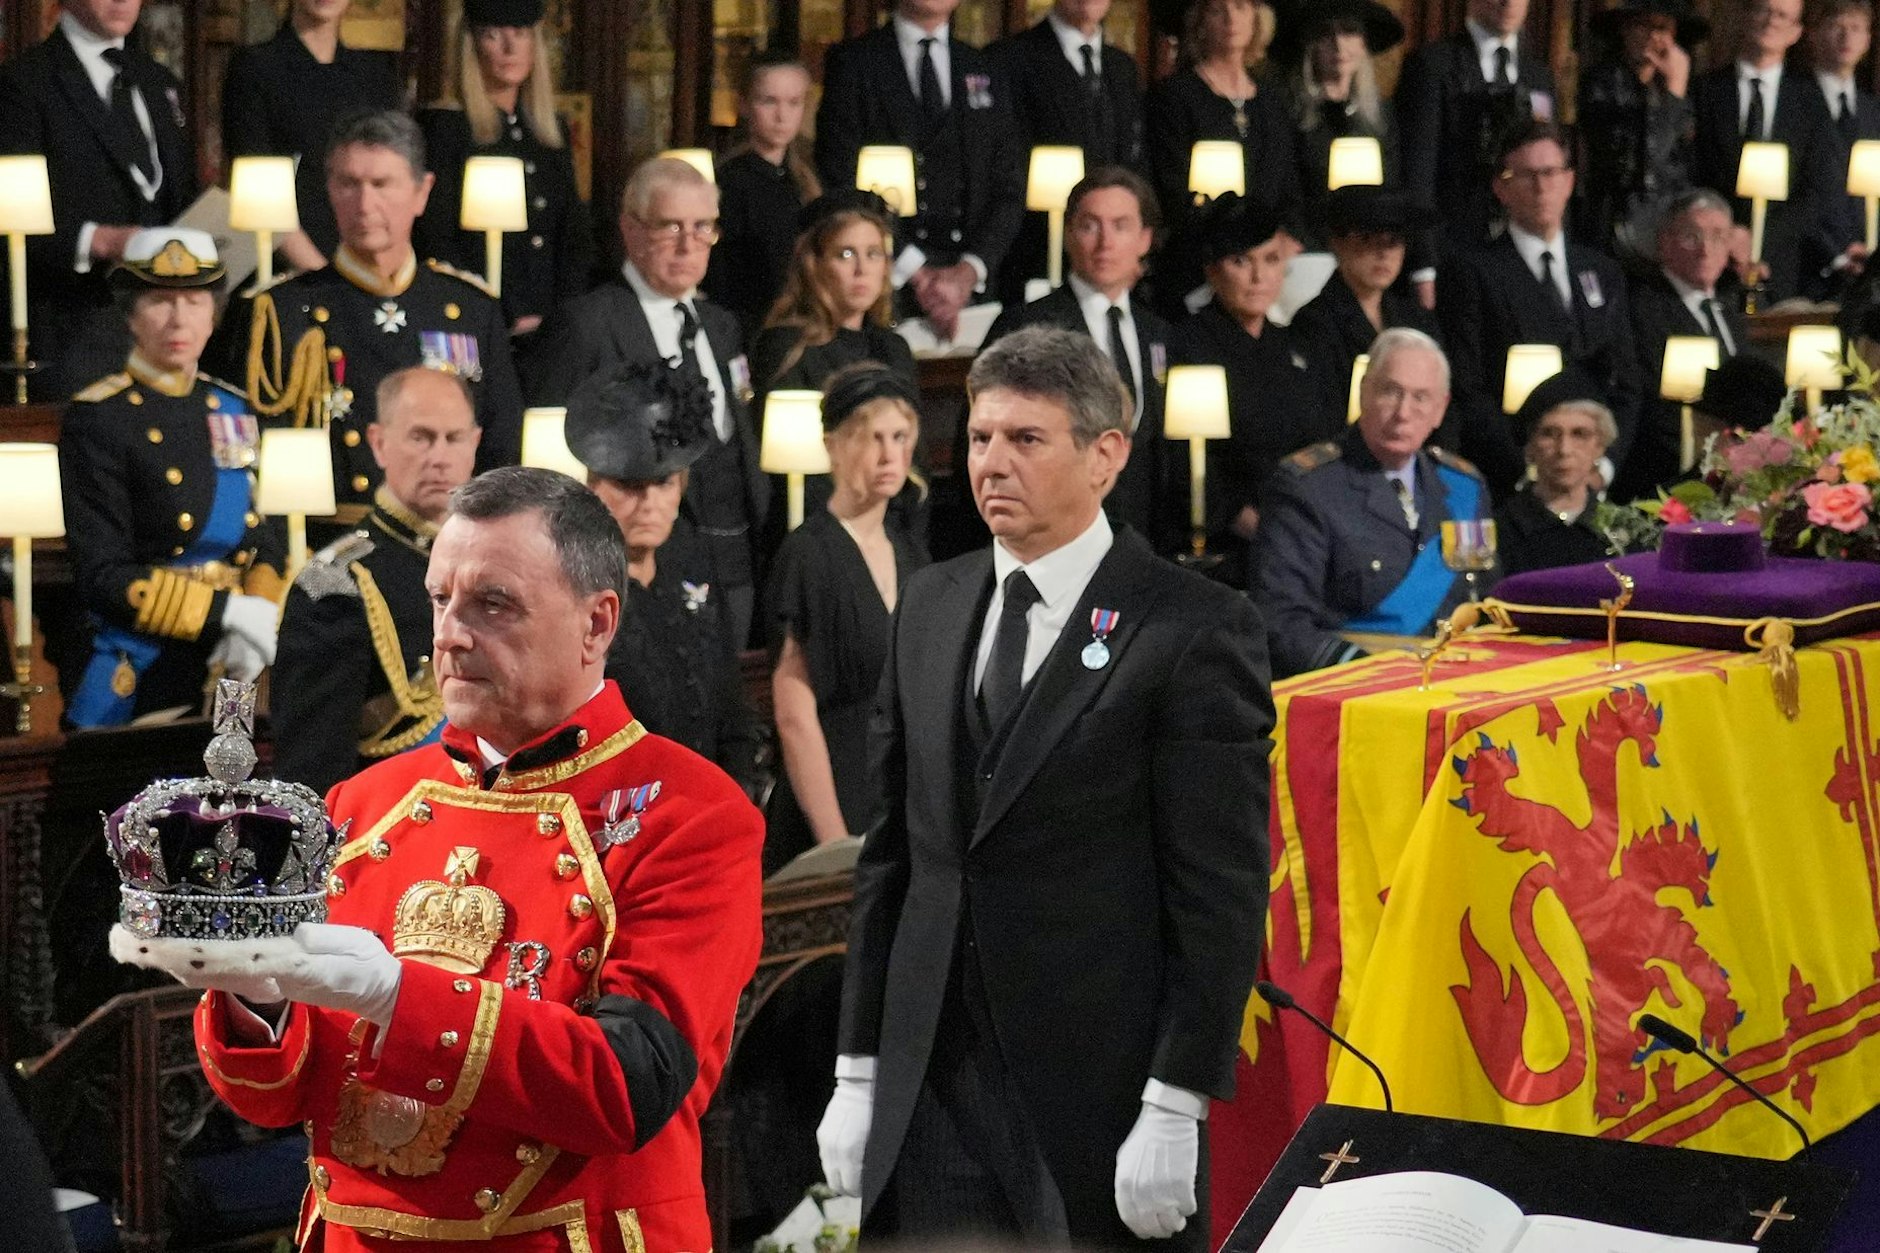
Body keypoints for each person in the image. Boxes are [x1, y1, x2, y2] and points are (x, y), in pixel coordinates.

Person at [168, 465, 765, 1252]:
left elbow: (624, 1087)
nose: (449, 631)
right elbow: (279, 1098)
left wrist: (395, 994)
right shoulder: (361, 802)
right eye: (440, 599)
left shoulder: (691, 812)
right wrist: (255, 997)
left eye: (493, 603)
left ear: (597, 623)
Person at [815, 325, 1272, 1249]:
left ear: (1106, 454)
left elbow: (1217, 892)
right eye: (980, 437)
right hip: (933, 1086)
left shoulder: (1190, 627)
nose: (991, 463)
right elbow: (891, 863)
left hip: (1098, 1096)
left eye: (1026, 439)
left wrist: (1177, 1098)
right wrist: (858, 1068)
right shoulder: (933, 603)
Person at [215, 109, 522, 533]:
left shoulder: (468, 309)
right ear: (329, 191)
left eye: (381, 184)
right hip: (324, 545)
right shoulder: (280, 311)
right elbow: (245, 452)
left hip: (443, 545)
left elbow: (501, 450)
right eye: (348, 184)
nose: (364, 204)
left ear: (422, 192)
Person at [529, 156, 768, 648]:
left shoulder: (722, 326)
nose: (688, 243)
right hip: (637, 566)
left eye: (703, 227)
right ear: (631, 230)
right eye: (670, 226)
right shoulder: (588, 324)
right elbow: (550, 460)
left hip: (735, 562)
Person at [59, 229, 283, 728]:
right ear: (132, 315)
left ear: (213, 313)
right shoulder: (100, 418)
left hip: (233, 656)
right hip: (146, 657)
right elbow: (104, 573)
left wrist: (257, 614)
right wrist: (224, 612)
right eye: (161, 301)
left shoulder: (233, 409)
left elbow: (262, 539)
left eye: (194, 300)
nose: (179, 318)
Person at [272, 366, 480, 796]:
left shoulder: (495, 560)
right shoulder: (336, 584)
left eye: (454, 438)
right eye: (421, 437)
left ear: (475, 442)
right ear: (379, 443)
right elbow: (313, 771)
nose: (439, 456)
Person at [1255, 327, 1495, 677]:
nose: (1403, 412)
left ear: (1440, 410)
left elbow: (1487, 605)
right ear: (1363, 392)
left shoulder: (1464, 487)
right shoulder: (1308, 488)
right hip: (1355, 692)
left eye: (1420, 397)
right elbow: (1280, 622)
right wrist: (1371, 672)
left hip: (1455, 686)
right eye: (1390, 392)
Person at [570, 363, 762, 793]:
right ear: (592, 485)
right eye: (630, 486)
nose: (650, 503)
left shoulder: (691, 559)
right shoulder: (573, 588)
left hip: (714, 809)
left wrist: (737, 798)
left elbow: (731, 702)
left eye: (664, 484)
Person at [767, 362, 929, 873]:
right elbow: (794, 715)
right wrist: (835, 844)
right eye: (872, 437)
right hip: (833, 805)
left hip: (902, 803)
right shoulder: (808, 554)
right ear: (835, 446)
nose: (889, 455)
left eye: (900, 436)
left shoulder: (911, 553)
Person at [0, 0, 199, 398]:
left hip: (163, 329)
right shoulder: (25, 84)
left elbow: (177, 193)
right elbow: (10, 217)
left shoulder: (158, 81)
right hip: (72, 323)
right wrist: (100, 240)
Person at [1440, 121, 1643, 499]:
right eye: (1527, 175)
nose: (1541, 186)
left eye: (1550, 173)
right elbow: (1470, 388)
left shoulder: (1601, 270)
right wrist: (1532, 469)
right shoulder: (1474, 271)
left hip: (1596, 485)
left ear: (1569, 181)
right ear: (1501, 188)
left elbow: (1627, 383)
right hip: (1517, 483)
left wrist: (1603, 465)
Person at [813, 0, 1027, 340]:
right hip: (886, 282)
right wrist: (918, 273)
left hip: (975, 291)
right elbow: (838, 178)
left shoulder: (983, 66)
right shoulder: (855, 63)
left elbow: (1009, 186)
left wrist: (968, 272)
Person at [983, 168, 1174, 549]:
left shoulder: (1159, 332)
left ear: (1145, 239)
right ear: (1069, 234)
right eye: (1090, 226)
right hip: (1054, 537)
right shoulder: (1027, 326)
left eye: (1120, 226)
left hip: (1141, 540)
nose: (1105, 242)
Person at [1170, 192, 1333, 584]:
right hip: (1230, 540)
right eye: (1241, 261)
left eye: (1271, 260)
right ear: (1212, 271)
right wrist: (1248, 521)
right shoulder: (1189, 345)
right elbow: (1185, 459)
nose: (1258, 277)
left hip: (1301, 526)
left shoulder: (1296, 345)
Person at [417, 0, 594, 344]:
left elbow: (573, 236)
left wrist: (561, 314)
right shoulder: (448, 128)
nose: (510, 48)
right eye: (493, 35)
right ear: (472, 45)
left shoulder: (548, 132)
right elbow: (436, 238)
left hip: (550, 324)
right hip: (479, 320)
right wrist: (506, 311)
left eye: (521, 34)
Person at [752, 191, 922, 544]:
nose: (861, 269)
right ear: (814, 264)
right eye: (845, 254)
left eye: (873, 254)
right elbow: (787, 476)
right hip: (822, 535)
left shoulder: (893, 350)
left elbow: (914, 461)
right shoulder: (789, 347)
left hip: (892, 532)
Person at [220, 0, 402, 269]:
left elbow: (389, 178)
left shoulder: (374, 77)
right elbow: (258, 188)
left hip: (361, 258)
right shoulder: (255, 68)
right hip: (284, 262)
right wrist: (321, 276)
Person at [988, 0, 1147, 303]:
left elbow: (1135, 165)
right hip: (1036, 260)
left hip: (1114, 264)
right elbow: (1004, 167)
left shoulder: (1122, 67)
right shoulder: (1010, 59)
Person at [1689, 0, 1845, 302]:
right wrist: (1727, 233)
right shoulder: (1707, 91)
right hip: (1709, 260)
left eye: (1783, 15)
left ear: (1796, 32)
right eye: (1764, 10)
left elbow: (1819, 189)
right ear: (1744, 17)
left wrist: (1760, 239)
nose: (1772, 21)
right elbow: (1693, 171)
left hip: (1782, 268)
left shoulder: (1812, 100)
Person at [1144, 0, 1297, 309]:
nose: (1231, 19)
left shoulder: (1272, 99)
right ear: (1199, 22)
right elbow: (1171, 188)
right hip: (1200, 262)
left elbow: (1289, 185)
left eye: (1241, 7)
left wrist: (1283, 239)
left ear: (1257, 18)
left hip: (1269, 264)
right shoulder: (1175, 96)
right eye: (1218, 10)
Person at [1615, 188, 1750, 502]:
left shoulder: (1727, 311)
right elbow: (1647, 400)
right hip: (1667, 477)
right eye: (1692, 236)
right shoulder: (1642, 309)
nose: (1706, 250)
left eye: (1718, 237)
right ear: (1664, 242)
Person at [1396, 0, 1557, 260]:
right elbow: (1418, 175)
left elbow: (1550, 164)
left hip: (1522, 253)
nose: (1508, 2)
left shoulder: (1539, 75)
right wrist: (1422, 263)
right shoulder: (1432, 65)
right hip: (1452, 248)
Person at [1289, 185, 1444, 432]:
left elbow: (1442, 398)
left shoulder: (1416, 319)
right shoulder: (1314, 322)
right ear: (1337, 243)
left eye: (1393, 242)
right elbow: (1323, 412)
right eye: (1367, 240)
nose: (1383, 254)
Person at [1574, 0, 1705, 258]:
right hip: (1613, 227)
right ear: (1624, 29)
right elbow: (1640, 163)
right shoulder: (1601, 84)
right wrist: (1673, 99)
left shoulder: (1690, 91)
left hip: (1668, 227)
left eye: (1663, 28)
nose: (1653, 37)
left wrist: (1674, 93)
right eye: (1643, 26)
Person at [1266, 0, 1405, 239]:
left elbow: (1391, 187)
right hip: (1309, 246)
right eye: (1325, 33)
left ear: (1364, 43)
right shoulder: (1287, 113)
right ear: (1309, 45)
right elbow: (1285, 194)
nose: (1338, 45)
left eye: (1349, 31)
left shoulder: (1381, 115)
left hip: (1366, 244)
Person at [705, 54, 821, 340]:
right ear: (743, 105)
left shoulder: (807, 177)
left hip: (802, 323)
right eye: (769, 101)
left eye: (794, 103)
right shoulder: (729, 181)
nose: (782, 116)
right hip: (750, 328)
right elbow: (722, 276)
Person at [1495, 388, 1620, 576]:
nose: (1564, 449)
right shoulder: (1498, 531)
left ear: (1600, 447)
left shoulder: (1621, 532)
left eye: (1579, 434)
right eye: (1549, 434)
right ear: (1530, 446)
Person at [1806, 0, 1880, 274]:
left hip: (1865, 265)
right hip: (1808, 263)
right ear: (1813, 34)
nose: (1846, 36)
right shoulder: (1793, 101)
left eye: (1856, 28)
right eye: (1837, 26)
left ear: (1867, 39)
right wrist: (1835, 254)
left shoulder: (1873, 111)